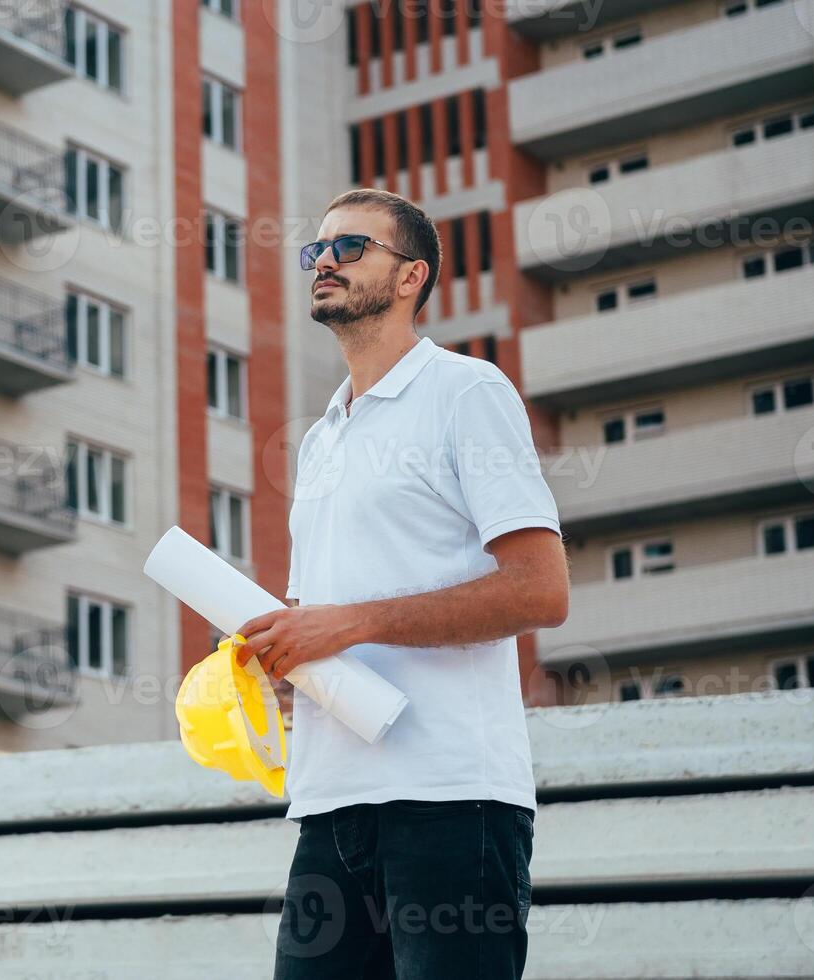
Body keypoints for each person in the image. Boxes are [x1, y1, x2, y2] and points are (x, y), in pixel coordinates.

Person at [235, 188, 569, 979]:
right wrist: (291, 656)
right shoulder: (321, 437)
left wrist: (345, 625)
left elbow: (539, 591)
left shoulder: (466, 393)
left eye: (348, 248)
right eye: (314, 249)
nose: (322, 261)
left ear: (411, 275)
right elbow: (324, 615)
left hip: (450, 799)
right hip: (330, 805)